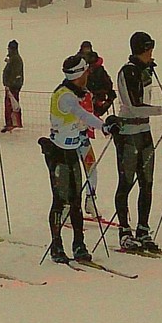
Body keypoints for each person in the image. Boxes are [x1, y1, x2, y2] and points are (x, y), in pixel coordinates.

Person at [110, 32, 162, 251]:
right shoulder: (127, 72)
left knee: (147, 182)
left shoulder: (144, 72)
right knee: (126, 182)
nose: (151, 54)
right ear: (141, 50)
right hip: (128, 132)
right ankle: (124, 230)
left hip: (144, 131)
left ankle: (143, 229)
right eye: (149, 50)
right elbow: (134, 106)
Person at [42, 54, 110, 264]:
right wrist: (103, 126)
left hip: (71, 150)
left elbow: (82, 118)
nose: (88, 75)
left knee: (75, 200)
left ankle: (79, 243)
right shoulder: (65, 96)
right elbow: (82, 115)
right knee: (60, 200)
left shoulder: (78, 92)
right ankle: (56, 244)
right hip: (57, 153)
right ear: (79, 74)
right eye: (86, 72)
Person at [1, 40, 24, 131]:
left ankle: (13, 123)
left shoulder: (15, 59)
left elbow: (15, 73)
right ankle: (12, 123)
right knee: (12, 104)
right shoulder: (14, 58)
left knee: (11, 105)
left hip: (13, 86)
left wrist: (9, 84)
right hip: (12, 85)